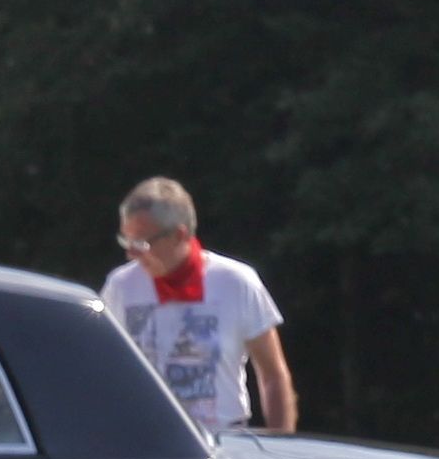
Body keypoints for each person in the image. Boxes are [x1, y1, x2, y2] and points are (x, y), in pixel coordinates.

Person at [100, 177, 298, 439]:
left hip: (224, 442)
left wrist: (280, 450)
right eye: (127, 242)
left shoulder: (236, 282)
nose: (131, 255)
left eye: (141, 244)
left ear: (179, 234)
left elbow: (273, 375)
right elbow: (102, 371)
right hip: (142, 441)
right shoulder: (121, 285)